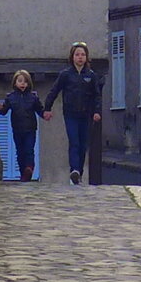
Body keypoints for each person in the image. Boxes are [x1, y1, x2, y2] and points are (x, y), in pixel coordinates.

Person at [41, 42, 103, 187]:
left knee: (83, 145)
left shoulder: (91, 76)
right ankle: (74, 169)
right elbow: (54, 91)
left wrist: (97, 111)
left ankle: (78, 173)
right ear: (72, 57)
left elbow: (96, 96)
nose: (80, 57)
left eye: (83, 55)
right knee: (74, 142)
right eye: (77, 54)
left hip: (86, 115)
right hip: (70, 114)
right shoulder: (66, 75)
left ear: (86, 57)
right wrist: (47, 108)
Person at [0, 70, 44, 183]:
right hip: (17, 129)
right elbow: (4, 111)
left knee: (29, 150)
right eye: (20, 81)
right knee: (20, 152)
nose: (23, 83)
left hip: (30, 129)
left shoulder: (33, 97)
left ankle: (29, 168)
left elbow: (39, 110)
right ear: (15, 83)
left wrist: (45, 114)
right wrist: (0, 108)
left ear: (29, 83)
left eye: (25, 81)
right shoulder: (11, 98)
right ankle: (23, 173)